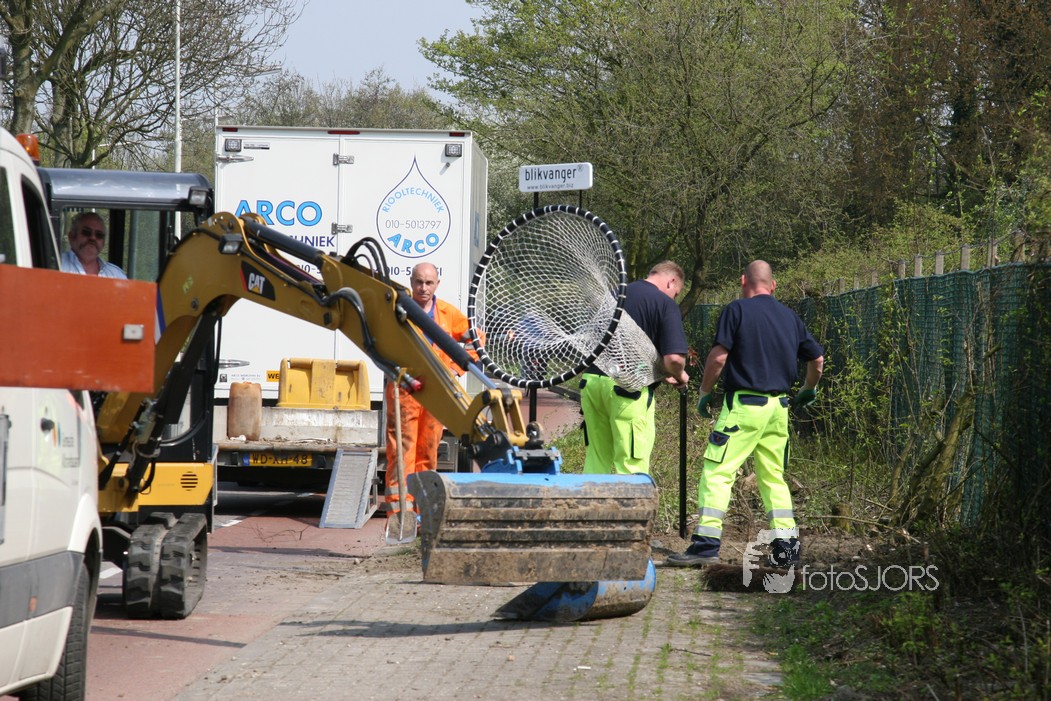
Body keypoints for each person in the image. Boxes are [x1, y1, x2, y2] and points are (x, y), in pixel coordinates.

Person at [667, 260, 824, 569]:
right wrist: (809, 388)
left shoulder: (736, 310)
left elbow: (718, 358)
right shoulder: (790, 317)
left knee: (718, 471)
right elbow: (816, 360)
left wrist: (704, 391)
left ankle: (705, 546)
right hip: (779, 409)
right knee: (773, 477)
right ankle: (786, 551)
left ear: (743, 281)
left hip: (744, 407)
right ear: (773, 285)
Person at [580, 260, 690, 475]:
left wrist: (661, 374)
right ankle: (633, 498)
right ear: (671, 281)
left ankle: (591, 497)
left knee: (597, 458)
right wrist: (680, 375)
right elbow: (674, 359)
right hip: (627, 390)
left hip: (592, 382)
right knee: (631, 465)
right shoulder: (664, 304)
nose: (674, 297)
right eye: (676, 293)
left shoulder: (613, 295)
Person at [384, 262, 474, 519]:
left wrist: (456, 370)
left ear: (437, 284)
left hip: (436, 393)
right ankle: (400, 514)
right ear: (411, 282)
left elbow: (476, 338)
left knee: (428, 451)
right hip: (405, 391)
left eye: (429, 283)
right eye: (419, 282)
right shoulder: (398, 310)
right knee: (402, 452)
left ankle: (423, 511)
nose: (423, 288)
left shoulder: (447, 314)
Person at [60, 212, 127, 278]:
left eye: (99, 235)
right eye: (86, 232)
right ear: (71, 237)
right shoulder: (57, 266)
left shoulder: (116, 275)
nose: (93, 238)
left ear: (103, 242)